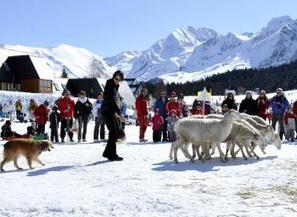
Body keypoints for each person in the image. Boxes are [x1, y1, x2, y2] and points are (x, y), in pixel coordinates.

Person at [101, 70, 125, 161]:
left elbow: (116, 100)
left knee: (114, 132)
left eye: (119, 80)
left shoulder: (115, 86)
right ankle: (112, 154)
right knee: (114, 132)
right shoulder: (109, 86)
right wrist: (119, 113)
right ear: (113, 77)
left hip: (111, 111)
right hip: (107, 111)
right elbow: (112, 101)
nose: (117, 81)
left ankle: (108, 153)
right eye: (116, 78)